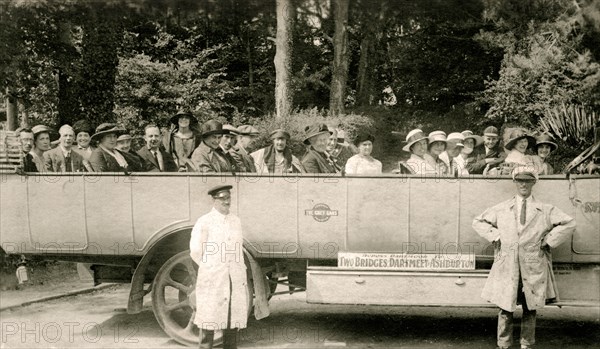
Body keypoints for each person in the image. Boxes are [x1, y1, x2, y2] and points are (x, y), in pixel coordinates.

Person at [472, 167, 575, 349]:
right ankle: (503, 343)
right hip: (508, 264)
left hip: (532, 264)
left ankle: (526, 343)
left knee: (530, 306)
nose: (523, 185)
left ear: (534, 183)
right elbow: (478, 221)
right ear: (515, 183)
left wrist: (548, 240)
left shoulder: (544, 209)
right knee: (505, 305)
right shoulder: (503, 208)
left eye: (527, 181)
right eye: (520, 181)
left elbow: (569, 223)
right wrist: (496, 236)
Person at [190, 185, 249, 349]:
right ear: (214, 200)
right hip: (213, 279)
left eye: (228, 197)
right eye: (222, 198)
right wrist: (211, 268)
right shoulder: (205, 221)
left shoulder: (235, 221)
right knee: (208, 321)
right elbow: (196, 251)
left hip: (232, 279)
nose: (227, 201)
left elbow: (238, 249)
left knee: (231, 322)